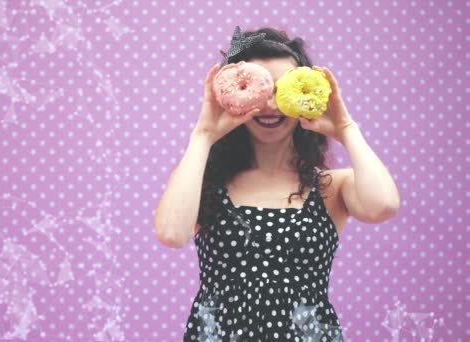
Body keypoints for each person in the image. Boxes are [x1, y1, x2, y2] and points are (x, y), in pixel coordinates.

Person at [153, 26, 400, 341]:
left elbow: (383, 205)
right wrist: (203, 135)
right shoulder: (203, 182)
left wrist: (345, 127)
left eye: (282, 89)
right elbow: (172, 234)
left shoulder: (331, 186)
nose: (271, 105)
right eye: (262, 87)